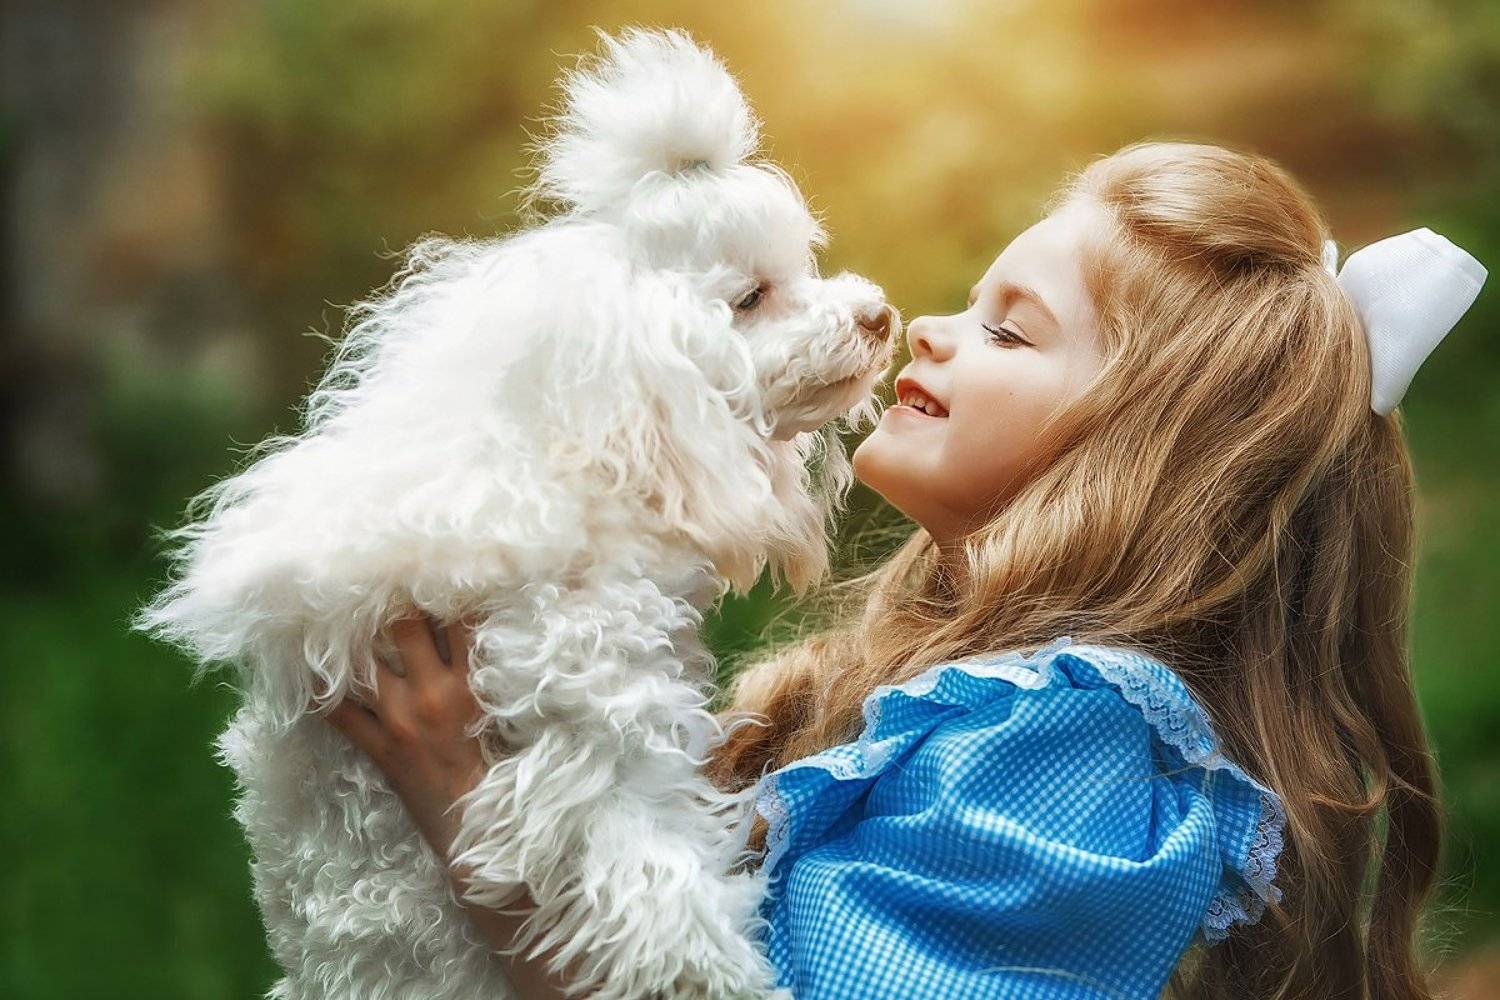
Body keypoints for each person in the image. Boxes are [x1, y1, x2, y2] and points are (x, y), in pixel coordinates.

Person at [320, 140, 1486, 998]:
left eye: (1010, 329)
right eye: (974, 304)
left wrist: (471, 812)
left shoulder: (1068, 754)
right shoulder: (954, 705)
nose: (930, 328)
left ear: (1151, 453)